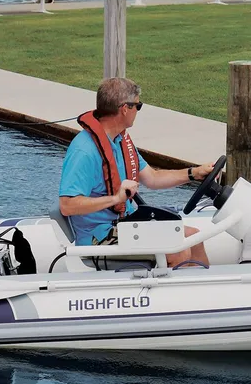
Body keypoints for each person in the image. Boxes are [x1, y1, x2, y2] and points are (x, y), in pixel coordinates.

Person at [59, 77, 213, 267]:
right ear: (125, 108)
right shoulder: (85, 151)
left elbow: (153, 178)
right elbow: (67, 205)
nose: (137, 111)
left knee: (193, 237)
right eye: (138, 106)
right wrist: (116, 199)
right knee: (177, 250)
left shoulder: (120, 141)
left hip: (127, 226)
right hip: (98, 238)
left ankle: (198, 291)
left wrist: (194, 173)